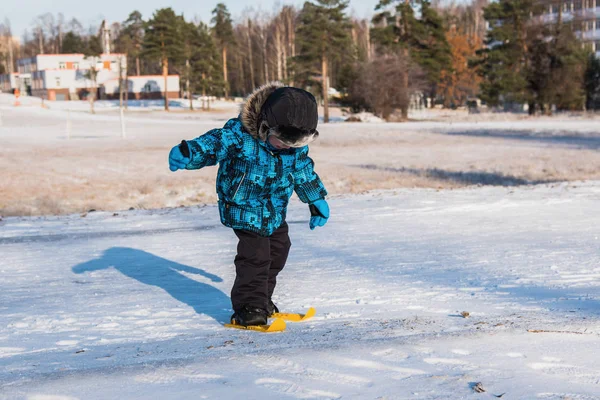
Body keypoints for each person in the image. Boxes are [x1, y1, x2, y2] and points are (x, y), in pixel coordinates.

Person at [168, 82, 330, 326]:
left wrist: (315, 198)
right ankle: (248, 308)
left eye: (295, 143)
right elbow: (212, 145)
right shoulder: (238, 135)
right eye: (282, 140)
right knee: (256, 256)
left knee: (278, 251)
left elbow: (302, 170)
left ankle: (262, 299)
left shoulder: (293, 149)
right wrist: (189, 152)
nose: (288, 147)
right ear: (265, 127)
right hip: (243, 207)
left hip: (274, 209)